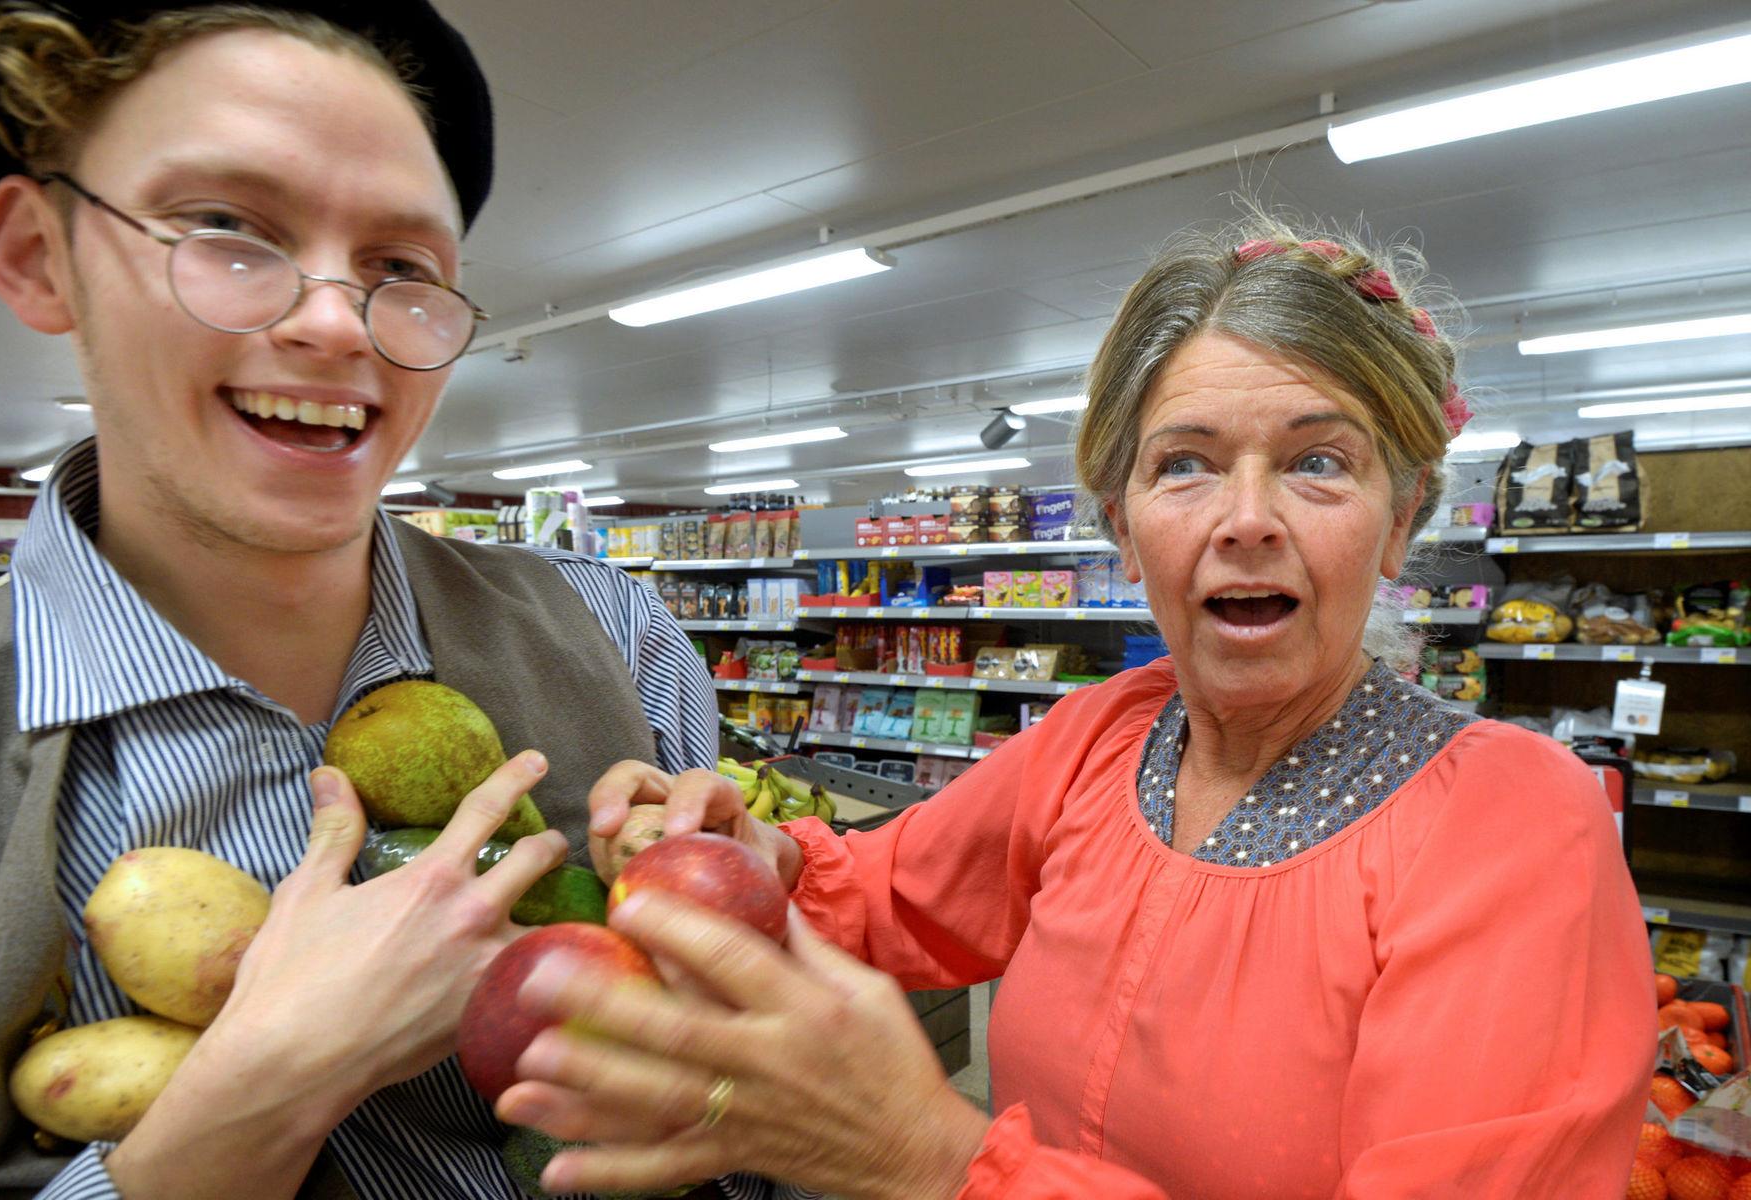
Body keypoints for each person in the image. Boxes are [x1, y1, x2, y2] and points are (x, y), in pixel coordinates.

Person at [0, 4, 798, 1198]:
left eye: (404, 270)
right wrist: (249, 1109)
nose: (339, 322)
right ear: (40, 254)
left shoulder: (618, 635)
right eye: (229, 228)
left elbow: (749, 1113)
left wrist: (738, 962)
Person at [505, 221, 1661, 1198]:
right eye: (1185, 465)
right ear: (1123, 522)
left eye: (1319, 463)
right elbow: (897, 894)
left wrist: (936, 1154)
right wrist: (748, 856)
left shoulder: (1513, 828)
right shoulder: (1105, 738)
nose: (1247, 518)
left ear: (1401, 517)